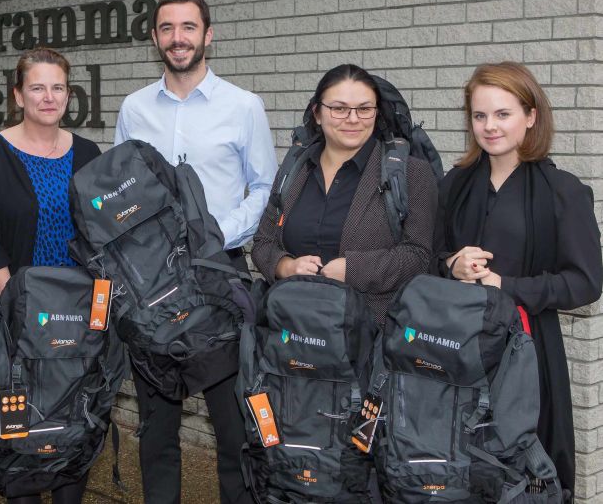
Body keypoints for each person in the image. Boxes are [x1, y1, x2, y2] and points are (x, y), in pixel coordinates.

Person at [113, 0, 276, 504]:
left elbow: (265, 189)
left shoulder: (243, 106)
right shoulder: (134, 108)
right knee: (158, 428)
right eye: (167, 28)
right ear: (155, 38)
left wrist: (215, 233)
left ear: (209, 34)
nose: (177, 38)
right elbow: (123, 190)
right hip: (153, 285)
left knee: (232, 428)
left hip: (218, 274)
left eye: (188, 28)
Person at [433, 62, 602, 501]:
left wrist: (507, 286)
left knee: (524, 476)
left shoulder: (564, 191)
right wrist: (451, 264)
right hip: (455, 350)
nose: (490, 126)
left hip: (528, 354)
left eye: (503, 114)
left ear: (531, 116)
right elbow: (429, 258)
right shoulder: (453, 184)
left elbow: (585, 284)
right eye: (479, 115)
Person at [0, 47, 101, 503]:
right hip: (16, 321)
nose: (49, 97)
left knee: (72, 434)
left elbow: (101, 236)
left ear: (68, 94)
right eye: (38, 87)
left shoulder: (87, 153)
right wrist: (15, 304)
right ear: (18, 95)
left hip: (76, 324)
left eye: (58, 87)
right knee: (20, 447)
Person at [252, 64, 437, 327]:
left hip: (370, 338)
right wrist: (285, 267)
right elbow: (263, 241)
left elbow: (419, 256)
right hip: (291, 331)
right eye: (339, 108)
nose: (353, 119)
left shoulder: (410, 172)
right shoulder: (294, 169)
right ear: (317, 113)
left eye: (364, 109)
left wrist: (352, 270)